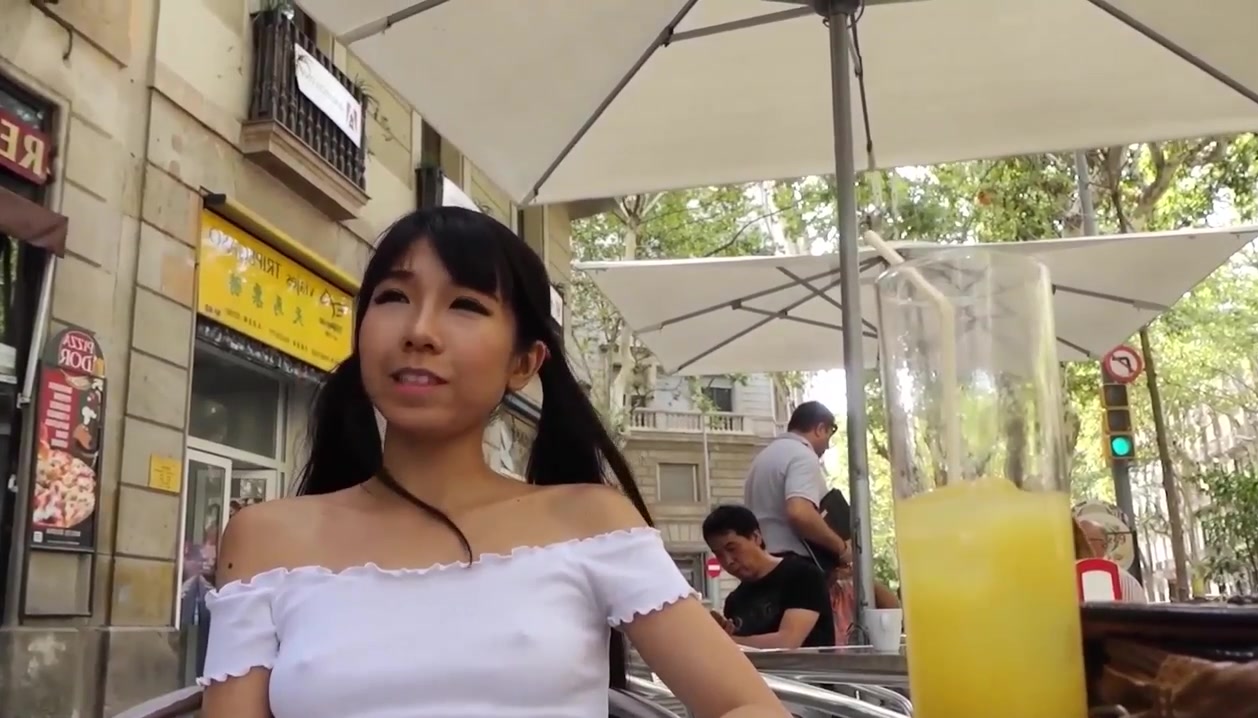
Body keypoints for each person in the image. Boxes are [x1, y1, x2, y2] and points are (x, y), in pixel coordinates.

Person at [198, 208, 788, 718]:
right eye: (394, 298)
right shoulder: (263, 538)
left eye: (465, 305)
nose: (419, 331)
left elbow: (748, 704)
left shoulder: (593, 523)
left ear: (524, 364)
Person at [702, 505, 835, 648]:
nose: (728, 561)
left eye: (732, 549)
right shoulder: (734, 601)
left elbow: (787, 642)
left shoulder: (803, 576)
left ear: (756, 537)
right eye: (719, 555)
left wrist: (725, 641)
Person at [744, 401, 849, 568]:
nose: (827, 446)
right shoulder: (803, 455)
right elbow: (800, 513)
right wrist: (841, 548)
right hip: (795, 564)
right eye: (828, 436)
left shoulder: (761, 459)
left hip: (762, 560)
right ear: (820, 429)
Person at [1074, 517, 1148, 604]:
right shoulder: (1066, 578)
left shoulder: (1126, 581)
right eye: (1074, 540)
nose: (1078, 545)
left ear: (1104, 545)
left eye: (1085, 540)